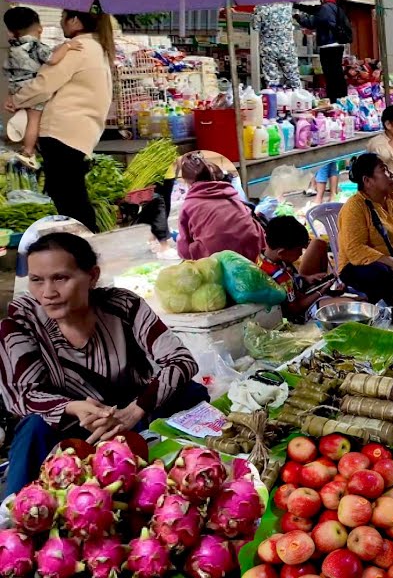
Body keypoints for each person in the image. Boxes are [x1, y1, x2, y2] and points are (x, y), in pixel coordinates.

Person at [0, 232, 207, 499]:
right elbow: (21, 393)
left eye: (60, 278)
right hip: (71, 422)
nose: (48, 293)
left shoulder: (122, 305)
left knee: (190, 392)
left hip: (134, 412)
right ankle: (17, 517)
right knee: (33, 429)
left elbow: (180, 360)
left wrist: (134, 411)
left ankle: (192, 474)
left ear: (93, 276)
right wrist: (74, 407)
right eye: (37, 280)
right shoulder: (22, 321)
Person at [5, 9, 113, 232]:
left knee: (70, 198)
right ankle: (84, 246)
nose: (60, 21)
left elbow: (44, 84)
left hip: (62, 131)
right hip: (80, 131)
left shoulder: (77, 49)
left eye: (63, 17)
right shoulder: (97, 46)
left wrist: (16, 100)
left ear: (74, 20)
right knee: (71, 194)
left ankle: (86, 247)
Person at [337, 153, 393, 307]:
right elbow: (355, 250)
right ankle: (392, 311)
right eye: (384, 170)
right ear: (367, 181)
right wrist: (391, 262)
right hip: (360, 266)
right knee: (381, 273)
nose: (390, 174)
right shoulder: (354, 208)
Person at [5, 7, 80, 166]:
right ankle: (28, 151)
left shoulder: (14, 46)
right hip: (32, 88)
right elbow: (52, 59)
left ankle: (23, 143)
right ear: (40, 28)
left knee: (26, 117)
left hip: (17, 87)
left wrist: (11, 95)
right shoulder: (35, 46)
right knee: (34, 120)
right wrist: (67, 46)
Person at [176, 153, 265, 261]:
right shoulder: (231, 192)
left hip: (217, 262)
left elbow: (184, 248)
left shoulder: (189, 204)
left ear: (187, 182)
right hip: (252, 253)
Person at [258, 216, 341, 324]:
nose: (301, 254)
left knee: (318, 243)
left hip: (299, 291)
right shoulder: (280, 276)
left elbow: (290, 278)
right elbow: (296, 308)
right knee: (353, 302)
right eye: (299, 250)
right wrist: (321, 292)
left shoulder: (264, 256)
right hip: (302, 313)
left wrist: (306, 278)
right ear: (282, 253)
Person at [295, 0, 352, 100]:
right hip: (337, 45)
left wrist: (299, 18)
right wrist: (299, 6)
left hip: (328, 45)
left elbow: (313, 22)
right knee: (337, 72)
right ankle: (341, 97)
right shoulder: (336, 8)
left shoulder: (325, 8)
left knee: (330, 74)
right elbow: (315, 11)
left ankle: (334, 98)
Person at [254, 3, 302, 89]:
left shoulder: (260, 7)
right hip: (288, 48)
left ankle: (274, 99)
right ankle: (297, 98)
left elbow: (255, 27)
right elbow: (297, 18)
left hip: (269, 49)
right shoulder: (288, 5)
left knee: (272, 80)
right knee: (293, 78)